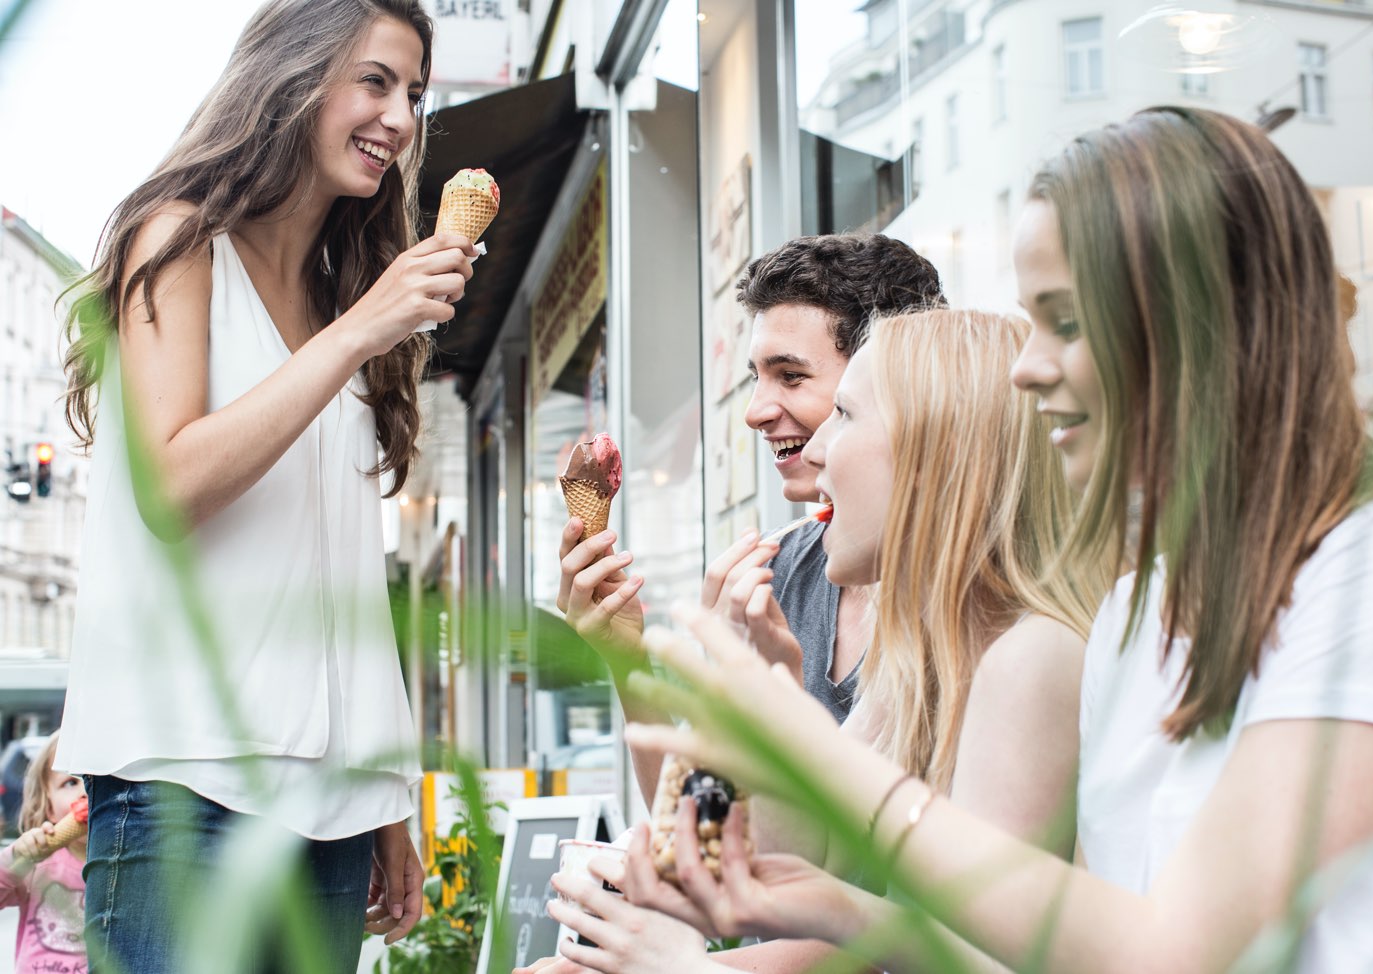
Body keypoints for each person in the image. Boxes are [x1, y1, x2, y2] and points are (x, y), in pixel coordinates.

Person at [619, 106, 1373, 972]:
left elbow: (1178, 953)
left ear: (1196, 320)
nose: (1026, 366)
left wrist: (805, 757)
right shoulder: (1143, 608)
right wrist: (831, 907)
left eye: (1065, 319)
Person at [54, 1, 476, 971]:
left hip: (332, 810)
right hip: (184, 787)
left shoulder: (340, 292)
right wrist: (359, 332)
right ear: (290, 77)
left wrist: (385, 794)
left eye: (412, 93)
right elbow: (171, 487)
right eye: (374, 80)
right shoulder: (177, 239)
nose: (401, 118)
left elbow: (339, 575)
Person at [531, 310, 1105, 974]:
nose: (817, 445)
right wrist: (748, 688)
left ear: (935, 449)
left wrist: (683, 968)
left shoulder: (1029, 658)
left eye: (843, 412)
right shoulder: (906, 649)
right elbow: (767, 862)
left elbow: (974, 955)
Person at [558, 234, 945, 805]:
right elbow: (693, 816)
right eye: (755, 378)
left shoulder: (970, 596)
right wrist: (627, 661)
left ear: (891, 382)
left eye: (790, 376)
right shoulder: (775, 572)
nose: (754, 412)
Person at [0, 733, 88, 973]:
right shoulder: (39, 863)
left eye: (97, 782)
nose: (85, 793)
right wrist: (17, 857)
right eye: (70, 782)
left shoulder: (129, 867)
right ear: (48, 807)